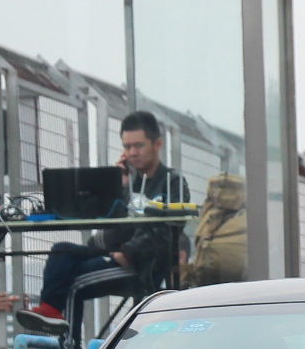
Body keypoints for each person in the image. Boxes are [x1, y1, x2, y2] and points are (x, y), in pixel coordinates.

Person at [20, 110, 192, 334]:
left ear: (157, 144)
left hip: (143, 265)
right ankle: (50, 309)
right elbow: (113, 224)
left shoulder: (172, 183)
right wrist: (118, 186)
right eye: (127, 147)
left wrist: (128, 253)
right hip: (116, 253)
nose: (132, 153)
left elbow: (167, 233)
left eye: (138, 146)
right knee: (62, 251)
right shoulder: (130, 183)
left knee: (75, 283)